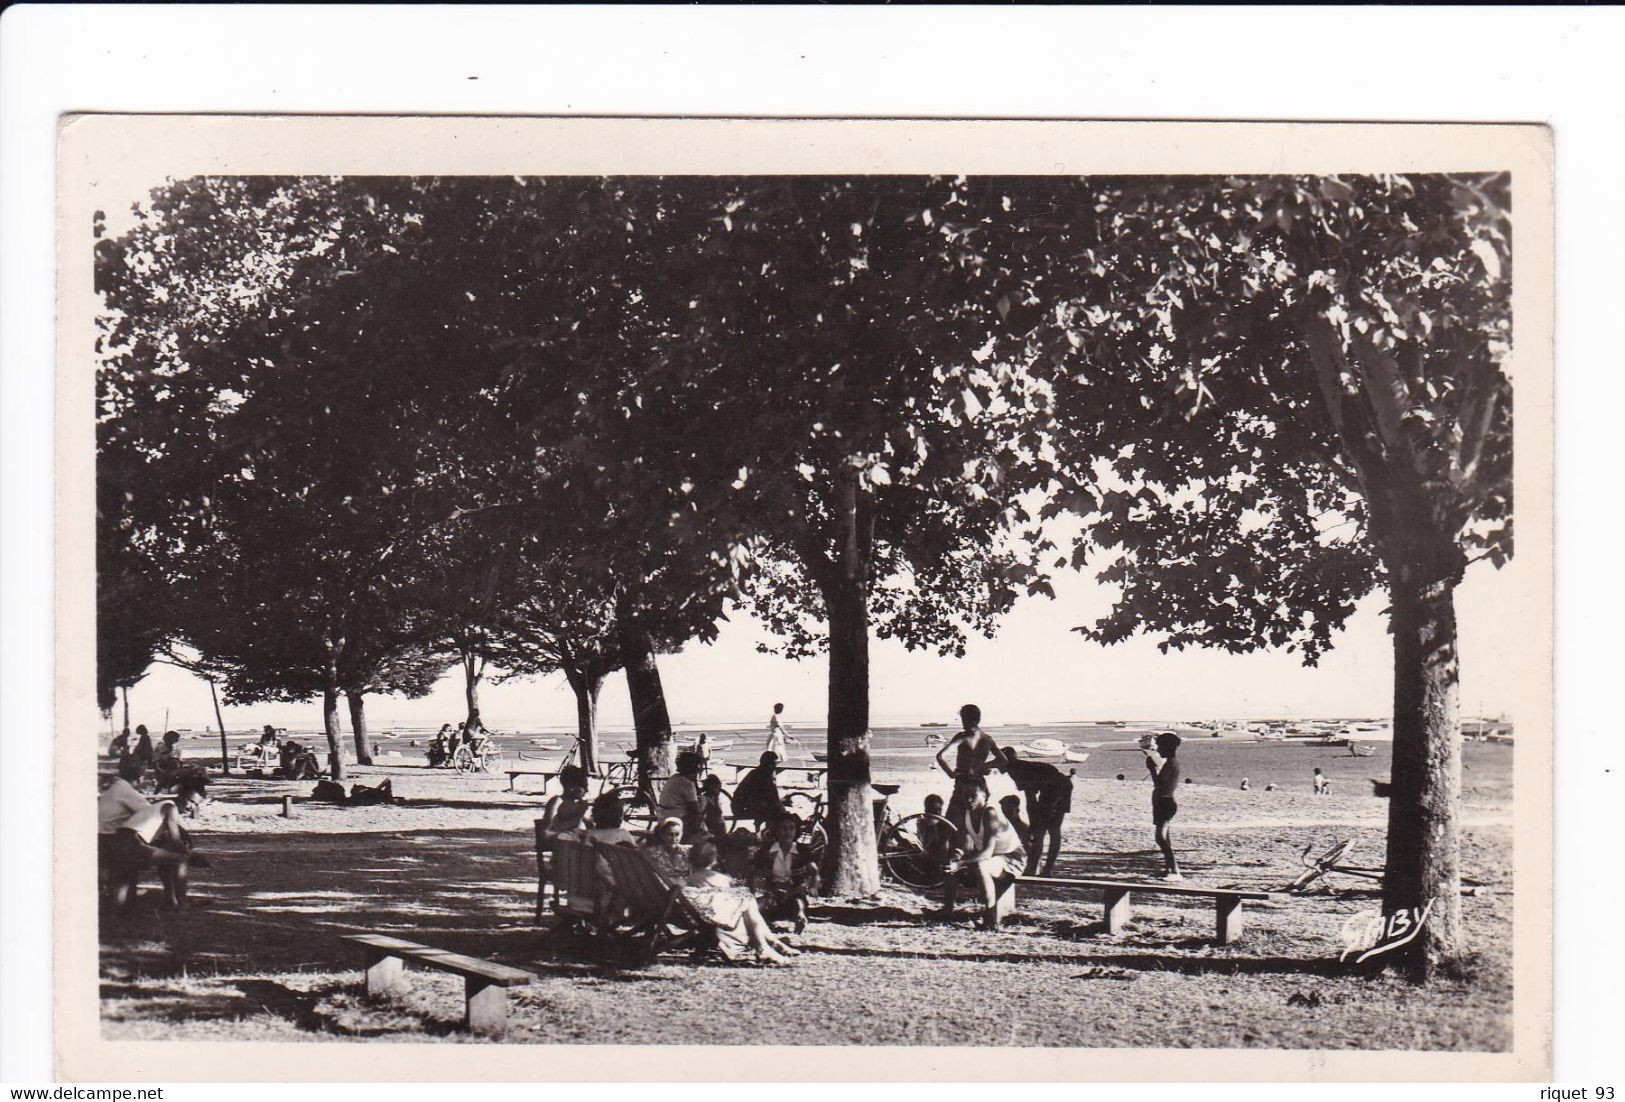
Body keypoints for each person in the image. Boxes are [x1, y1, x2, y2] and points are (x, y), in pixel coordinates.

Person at [98, 758, 201, 911]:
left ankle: (171, 899)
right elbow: (175, 840)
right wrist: (192, 855)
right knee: (179, 859)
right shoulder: (168, 807)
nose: (192, 807)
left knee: (166, 856)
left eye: (195, 805)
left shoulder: (116, 787)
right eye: (190, 802)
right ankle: (182, 902)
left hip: (117, 838)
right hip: (124, 841)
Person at [682, 838, 800, 965]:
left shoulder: (690, 880)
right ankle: (767, 944)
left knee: (748, 903)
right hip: (717, 915)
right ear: (714, 859)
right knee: (748, 902)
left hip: (704, 913)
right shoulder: (721, 878)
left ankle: (769, 944)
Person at [939, 785, 1025, 929]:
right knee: (950, 865)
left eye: (973, 796)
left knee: (981, 865)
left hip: (1012, 858)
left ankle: (990, 919)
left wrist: (960, 863)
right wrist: (956, 857)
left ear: (984, 797)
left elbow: (987, 852)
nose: (969, 799)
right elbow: (965, 844)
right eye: (965, 796)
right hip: (992, 859)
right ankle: (948, 911)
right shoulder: (966, 813)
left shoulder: (989, 813)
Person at [1002, 754, 1075, 876]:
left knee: (1040, 832)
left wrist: (1034, 824)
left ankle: (1033, 869)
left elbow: (1030, 798)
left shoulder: (1015, 770)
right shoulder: (1020, 765)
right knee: (1053, 830)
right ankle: (1045, 870)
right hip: (1064, 783)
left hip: (1055, 788)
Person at [935, 704, 1005, 830]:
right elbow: (1003, 760)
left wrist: (951, 773)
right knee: (975, 824)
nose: (962, 722)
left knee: (950, 823)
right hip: (980, 786)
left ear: (968, 719)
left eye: (962, 718)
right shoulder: (987, 739)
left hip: (963, 783)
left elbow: (940, 756)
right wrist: (984, 766)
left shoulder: (962, 736)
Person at [752, 814, 818, 933]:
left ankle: (800, 916)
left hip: (793, 893)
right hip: (772, 894)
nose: (788, 832)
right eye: (783, 828)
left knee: (798, 901)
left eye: (791, 828)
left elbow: (814, 870)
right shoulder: (767, 850)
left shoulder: (802, 850)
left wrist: (813, 886)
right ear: (776, 831)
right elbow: (753, 870)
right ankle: (763, 924)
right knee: (757, 906)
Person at [1145, 732, 1183, 880]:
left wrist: (1152, 769)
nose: (1158, 749)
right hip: (1164, 802)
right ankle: (1169, 869)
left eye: (1160, 746)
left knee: (1160, 839)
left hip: (1165, 803)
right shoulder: (1171, 762)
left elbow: (1159, 783)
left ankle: (1174, 871)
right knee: (1165, 838)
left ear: (1167, 747)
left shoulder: (1171, 763)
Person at [656, 751, 706, 840]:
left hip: (663, 816)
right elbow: (694, 810)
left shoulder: (674, 778)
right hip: (677, 820)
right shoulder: (687, 784)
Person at [732, 752, 786, 824]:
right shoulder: (760, 776)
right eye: (773, 764)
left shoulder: (758, 773)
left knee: (775, 810)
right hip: (743, 808)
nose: (774, 767)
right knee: (775, 813)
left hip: (746, 805)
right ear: (767, 764)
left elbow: (772, 796)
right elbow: (772, 797)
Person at [539, 766, 591, 839]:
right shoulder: (556, 802)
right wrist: (577, 819)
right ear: (571, 786)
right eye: (584, 786)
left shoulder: (578, 804)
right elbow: (545, 833)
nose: (587, 790)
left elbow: (591, 828)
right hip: (560, 846)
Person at [642, 816, 692, 884]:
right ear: (662, 835)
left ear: (682, 834)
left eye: (677, 834)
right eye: (670, 834)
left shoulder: (689, 851)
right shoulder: (652, 853)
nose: (674, 838)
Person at [700, 774, 729, 839]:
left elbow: (719, 813)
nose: (717, 790)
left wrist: (716, 799)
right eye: (715, 788)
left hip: (720, 825)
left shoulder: (717, 799)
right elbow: (718, 813)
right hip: (710, 826)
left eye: (718, 788)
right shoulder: (704, 798)